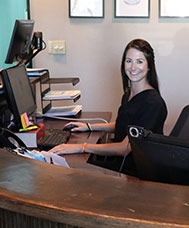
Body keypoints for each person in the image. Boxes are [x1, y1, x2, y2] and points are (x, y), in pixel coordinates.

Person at [50, 38, 168, 173]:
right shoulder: (129, 94)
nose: (133, 67)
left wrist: (81, 147)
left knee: (74, 169)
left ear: (149, 67)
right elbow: (124, 125)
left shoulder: (152, 103)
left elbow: (125, 148)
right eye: (129, 61)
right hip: (122, 163)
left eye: (139, 62)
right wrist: (89, 127)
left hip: (136, 171)